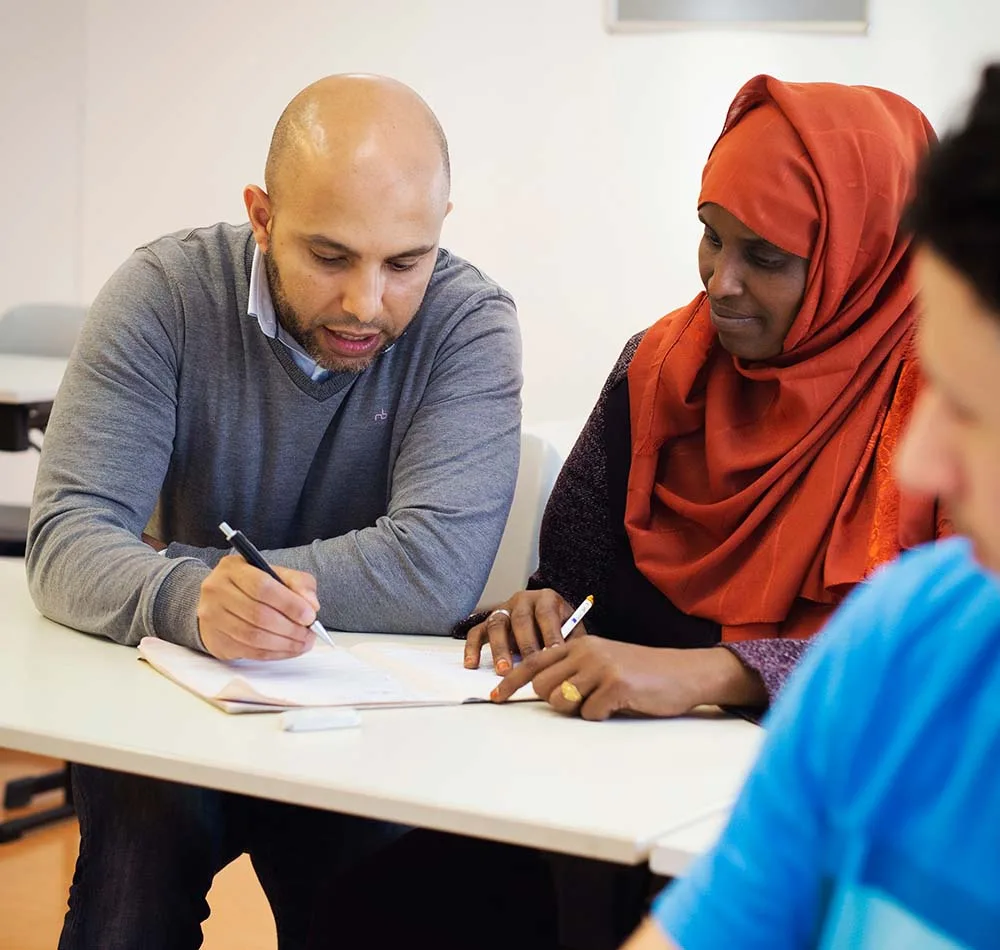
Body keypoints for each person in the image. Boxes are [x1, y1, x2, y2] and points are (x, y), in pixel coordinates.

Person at [25, 74, 522, 950]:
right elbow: (67, 533)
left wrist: (179, 575)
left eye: (405, 262)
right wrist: (191, 603)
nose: (368, 302)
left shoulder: (470, 324)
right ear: (261, 215)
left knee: (372, 915)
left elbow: (433, 572)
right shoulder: (164, 294)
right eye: (330, 256)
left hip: (372, 718)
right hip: (177, 703)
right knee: (124, 913)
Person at [621, 62, 1000, 950]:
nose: (922, 457)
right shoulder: (906, 638)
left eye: (977, 408)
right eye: (713, 240)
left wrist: (725, 672)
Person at [475, 74, 947, 721]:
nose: (721, 282)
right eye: (712, 236)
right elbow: (570, 584)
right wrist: (539, 611)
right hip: (599, 782)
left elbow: (966, 658)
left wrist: (719, 673)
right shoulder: (659, 367)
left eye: (766, 256)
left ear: (865, 254)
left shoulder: (954, 406)